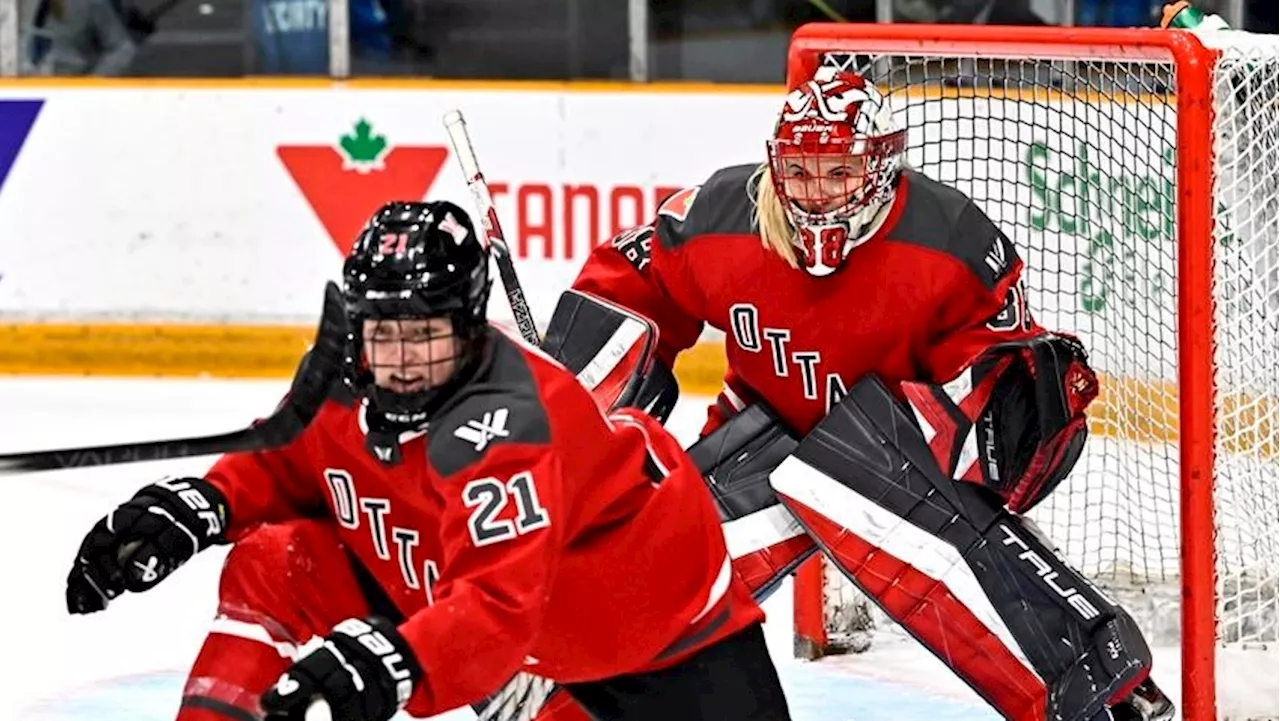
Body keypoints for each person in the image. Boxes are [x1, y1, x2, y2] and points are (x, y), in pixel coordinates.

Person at [545, 65, 1173, 721]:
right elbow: (630, 288)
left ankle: (1103, 689)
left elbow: (991, 397)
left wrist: (1001, 421)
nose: (816, 195)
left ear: (879, 169)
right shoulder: (722, 215)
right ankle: (563, 693)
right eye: (800, 172)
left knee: (875, 480)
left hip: (897, 466)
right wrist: (571, 423)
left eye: (839, 173)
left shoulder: (949, 240)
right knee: (640, 568)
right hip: (761, 443)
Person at [64, 200, 793, 721]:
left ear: (471, 323)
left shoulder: (510, 422)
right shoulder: (345, 369)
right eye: (384, 331)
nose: (403, 359)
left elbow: (500, 605)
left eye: (428, 334)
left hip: (645, 623)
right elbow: (289, 463)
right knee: (278, 556)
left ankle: (534, 694)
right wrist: (203, 504)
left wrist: (395, 661)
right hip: (485, 603)